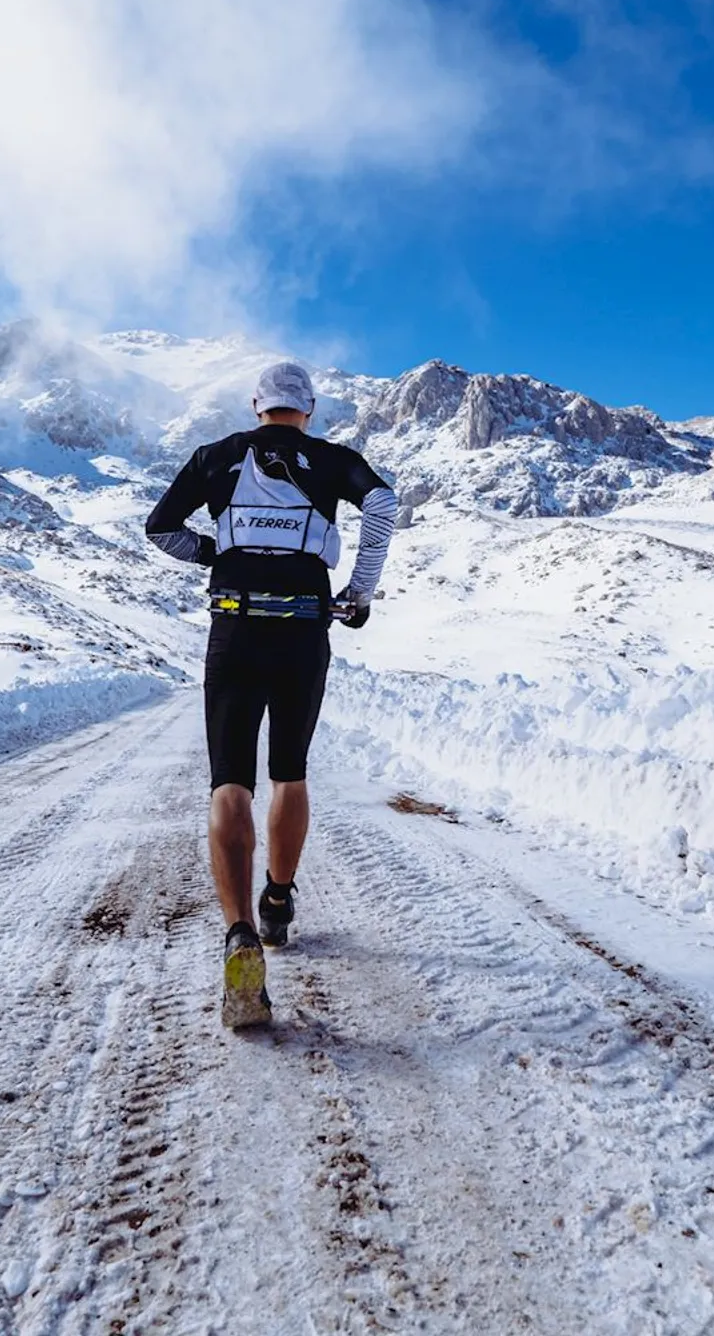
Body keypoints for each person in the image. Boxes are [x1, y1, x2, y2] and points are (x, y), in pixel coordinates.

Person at [144, 360, 397, 1028]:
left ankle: (239, 937)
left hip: (233, 628)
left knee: (230, 782)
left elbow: (160, 529)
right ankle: (277, 901)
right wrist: (360, 593)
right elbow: (383, 503)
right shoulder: (332, 458)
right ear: (307, 407)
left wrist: (216, 550)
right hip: (303, 632)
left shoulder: (216, 457)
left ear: (257, 404)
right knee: (289, 772)